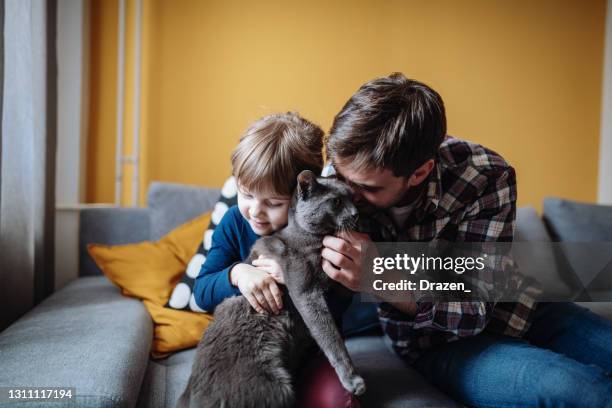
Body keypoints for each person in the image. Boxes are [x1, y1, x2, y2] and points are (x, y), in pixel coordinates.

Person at [321, 72, 612, 406]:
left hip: (523, 308)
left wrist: (382, 278)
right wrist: (247, 270)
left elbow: (473, 308)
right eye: (341, 176)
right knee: (579, 389)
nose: (347, 194)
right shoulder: (330, 184)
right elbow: (260, 226)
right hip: (436, 343)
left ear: (419, 172)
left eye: (368, 188)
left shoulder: (485, 176)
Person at [193, 112, 360, 407]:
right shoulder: (234, 222)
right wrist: (238, 274)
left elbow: (340, 303)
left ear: (302, 195)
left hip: (311, 350)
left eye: (273, 203)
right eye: (246, 194)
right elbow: (202, 292)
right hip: (251, 350)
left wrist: (299, 282)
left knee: (339, 401)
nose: (255, 211)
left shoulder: (323, 228)